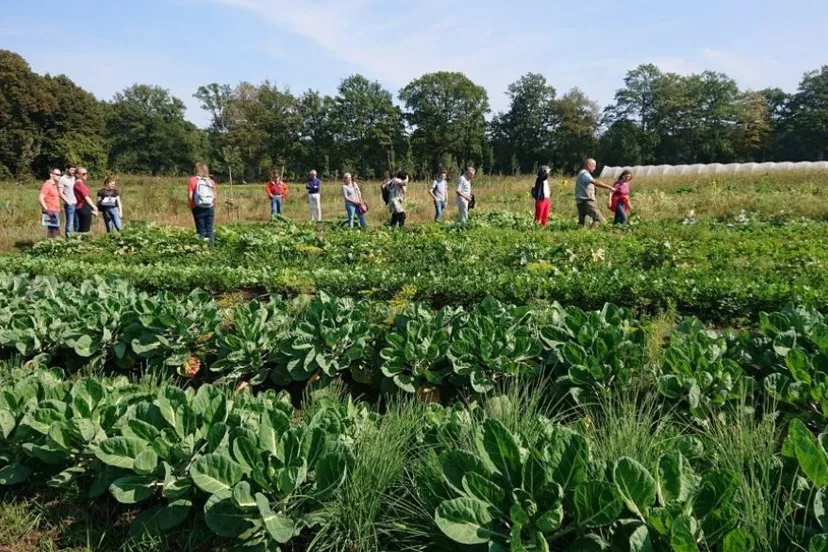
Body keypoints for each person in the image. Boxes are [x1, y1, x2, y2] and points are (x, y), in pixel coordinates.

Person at [575, 158, 613, 228]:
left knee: (581, 221)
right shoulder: (585, 174)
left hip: (580, 201)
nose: (595, 168)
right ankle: (591, 234)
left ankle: (579, 234)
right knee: (597, 217)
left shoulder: (582, 173)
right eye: (594, 166)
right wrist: (609, 187)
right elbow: (595, 182)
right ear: (589, 165)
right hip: (586, 201)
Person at [188, 162, 217, 247]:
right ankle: (211, 249)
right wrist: (212, 205)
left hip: (197, 207)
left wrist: (190, 205)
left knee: (200, 229)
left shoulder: (193, 180)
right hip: (210, 207)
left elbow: (190, 196)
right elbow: (214, 196)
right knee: (209, 230)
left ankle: (201, 250)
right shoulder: (211, 181)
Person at [72, 167, 99, 233]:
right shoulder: (79, 184)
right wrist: (94, 207)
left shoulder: (78, 184)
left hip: (82, 207)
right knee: (85, 230)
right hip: (83, 207)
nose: (86, 175)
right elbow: (86, 197)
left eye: (86, 173)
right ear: (77, 175)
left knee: (82, 229)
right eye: (83, 174)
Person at [38, 169, 62, 239]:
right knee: (54, 231)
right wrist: (47, 210)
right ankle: (52, 246)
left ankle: (52, 245)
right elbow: (40, 197)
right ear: (51, 175)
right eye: (57, 175)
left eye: (60, 175)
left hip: (55, 211)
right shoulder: (47, 184)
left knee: (54, 230)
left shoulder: (54, 185)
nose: (59, 176)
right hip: (50, 211)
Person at [57, 164, 77, 237]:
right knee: (70, 222)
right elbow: (60, 193)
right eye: (71, 170)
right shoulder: (62, 179)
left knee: (77, 222)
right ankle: (68, 239)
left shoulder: (75, 178)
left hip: (77, 203)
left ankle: (76, 239)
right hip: (70, 204)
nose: (73, 171)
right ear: (66, 169)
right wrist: (68, 202)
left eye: (74, 170)